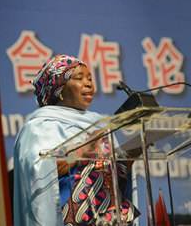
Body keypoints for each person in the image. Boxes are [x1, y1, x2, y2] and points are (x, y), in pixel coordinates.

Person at [12, 54, 137, 226]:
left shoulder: (101, 123)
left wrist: (134, 150)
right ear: (60, 89)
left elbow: (118, 174)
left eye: (90, 78)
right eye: (79, 78)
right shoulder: (39, 127)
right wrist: (82, 150)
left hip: (109, 217)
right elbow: (38, 175)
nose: (88, 83)